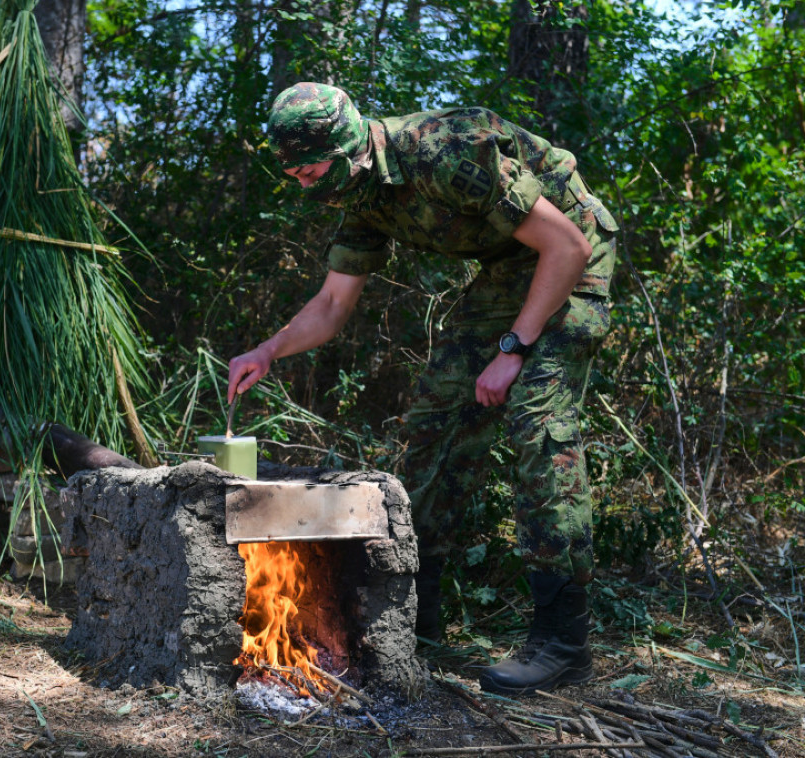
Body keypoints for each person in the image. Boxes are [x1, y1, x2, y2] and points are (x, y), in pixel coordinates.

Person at [227, 82, 617, 696]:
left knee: (539, 429)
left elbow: (565, 244)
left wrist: (512, 351)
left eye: (309, 170)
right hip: (508, 271)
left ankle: (563, 644)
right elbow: (332, 302)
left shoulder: (444, 152)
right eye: (293, 174)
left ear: (345, 147)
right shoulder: (360, 192)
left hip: (572, 256)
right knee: (437, 425)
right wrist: (267, 350)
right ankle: (416, 621)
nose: (303, 184)